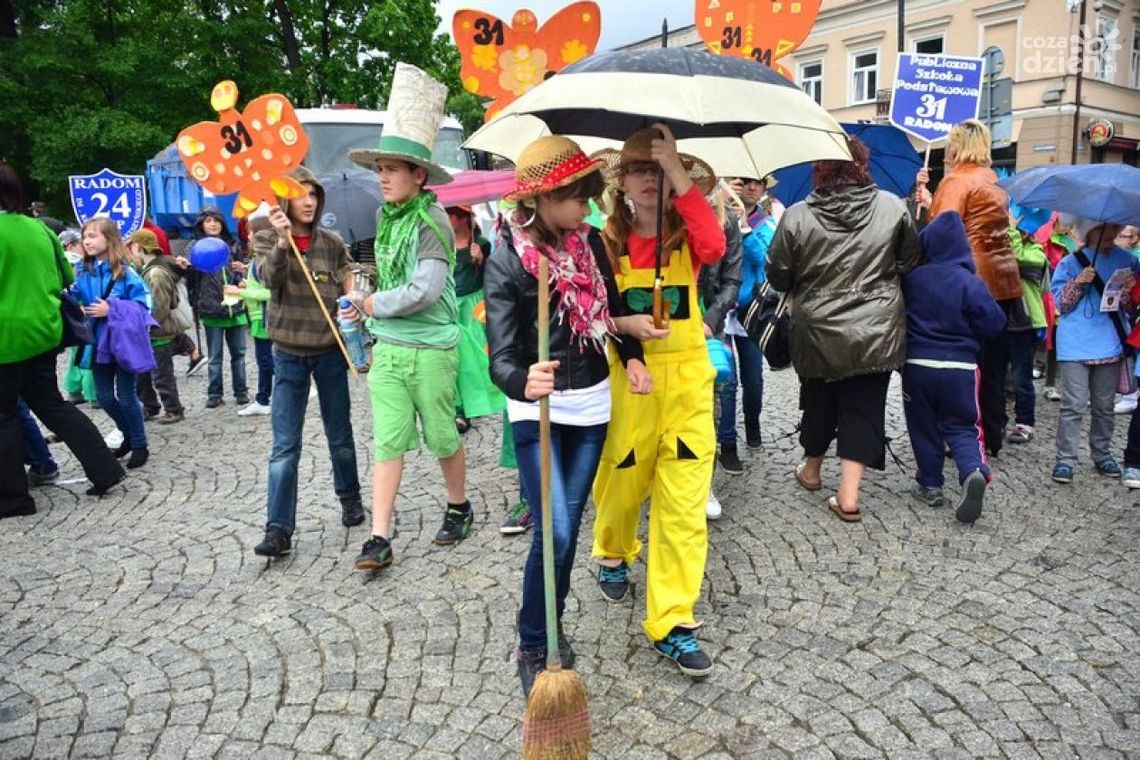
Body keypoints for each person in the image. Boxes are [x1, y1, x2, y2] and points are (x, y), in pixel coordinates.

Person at [484, 135, 649, 696]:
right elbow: (501, 356)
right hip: (538, 413)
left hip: (592, 405)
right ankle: (534, 638)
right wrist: (521, 379)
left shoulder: (591, 246)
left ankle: (545, 623)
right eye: (579, 196)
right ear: (545, 198)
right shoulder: (508, 261)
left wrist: (632, 356)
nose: (588, 206)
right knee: (552, 530)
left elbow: (614, 310)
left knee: (566, 528)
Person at [590, 124, 725, 677]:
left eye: (658, 170)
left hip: (689, 382)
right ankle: (613, 549)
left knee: (684, 506)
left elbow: (716, 248)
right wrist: (626, 333)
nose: (649, 179)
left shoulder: (687, 233)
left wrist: (678, 170)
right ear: (621, 181)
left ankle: (673, 619)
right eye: (640, 169)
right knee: (621, 481)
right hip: (631, 381)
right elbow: (593, 310)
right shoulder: (605, 241)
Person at [346, 63, 471, 572]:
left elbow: (427, 288)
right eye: (379, 168)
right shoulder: (383, 217)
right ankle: (380, 536)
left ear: (418, 175)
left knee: (442, 435)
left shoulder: (432, 217)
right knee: (388, 439)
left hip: (432, 348)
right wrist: (362, 291)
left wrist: (375, 303)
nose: (382, 177)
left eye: (392, 169)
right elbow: (388, 275)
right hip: (389, 348)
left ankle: (460, 505)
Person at [767, 136, 922, 521]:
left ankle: (812, 470)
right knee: (864, 408)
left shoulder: (797, 215)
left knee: (818, 399)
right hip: (876, 331)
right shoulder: (892, 206)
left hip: (817, 331)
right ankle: (849, 496)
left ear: (820, 169)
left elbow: (779, 276)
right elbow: (910, 260)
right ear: (862, 166)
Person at [251, 166, 364, 557]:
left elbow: (349, 271)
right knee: (285, 445)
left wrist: (352, 295)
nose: (310, 201)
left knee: (340, 435)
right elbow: (269, 279)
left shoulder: (330, 242)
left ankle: (350, 496)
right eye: (302, 194)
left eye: (314, 194)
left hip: (330, 351)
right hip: (288, 354)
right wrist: (283, 243)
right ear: (285, 199)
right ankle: (278, 529)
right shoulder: (265, 235)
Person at [925, 120, 1024, 456]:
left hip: (968, 279)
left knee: (965, 365)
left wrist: (926, 207)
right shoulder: (995, 180)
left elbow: (943, 232)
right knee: (994, 367)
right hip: (1004, 280)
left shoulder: (956, 180)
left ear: (957, 146)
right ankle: (992, 436)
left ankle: (963, 438)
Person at [902, 211, 1006, 523]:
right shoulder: (970, 283)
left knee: (923, 425)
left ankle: (930, 484)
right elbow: (994, 323)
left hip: (918, 365)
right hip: (961, 367)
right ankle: (973, 471)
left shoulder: (912, 279)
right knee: (963, 425)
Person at [1049, 219, 1135, 484]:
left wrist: (1130, 293)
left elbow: (1132, 307)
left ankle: (1101, 453)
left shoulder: (1129, 260)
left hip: (1109, 340)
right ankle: (1065, 459)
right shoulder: (1070, 262)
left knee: (1104, 406)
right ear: (1090, 231)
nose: (1110, 234)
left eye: (1114, 228)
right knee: (1073, 405)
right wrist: (1078, 282)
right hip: (1075, 343)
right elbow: (1061, 305)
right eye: (1103, 229)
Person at [75, 217, 154, 469]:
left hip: (122, 343)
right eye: (85, 236)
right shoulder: (82, 272)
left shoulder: (125, 272)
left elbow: (144, 305)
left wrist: (112, 308)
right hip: (97, 343)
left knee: (127, 396)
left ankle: (140, 444)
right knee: (105, 397)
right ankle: (128, 436)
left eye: (93, 236)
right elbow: (73, 295)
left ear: (109, 240)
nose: (87, 241)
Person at [447, 204, 504, 432]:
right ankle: (460, 410)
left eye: (450, 214)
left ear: (462, 218)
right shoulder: (442, 245)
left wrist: (481, 259)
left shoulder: (480, 244)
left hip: (476, 306)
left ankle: (491, 394)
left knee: (482, 355)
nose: (446, 219)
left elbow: (492, 276)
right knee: (458, 358)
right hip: (452, 307)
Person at [192, 207, 249, 409]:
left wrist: (242, 279)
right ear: (201, 224)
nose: (213, 224)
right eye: (208, 220)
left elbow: (242, 272)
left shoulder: (233, 246)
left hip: (235, 309)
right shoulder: (195, 247)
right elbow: (191, 280)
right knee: (215, 357)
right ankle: (214, 394)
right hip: (211, 310)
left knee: (239, 355)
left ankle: (241, 391)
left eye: (216, 220)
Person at [127, 230, 186, 424]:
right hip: (152, 330)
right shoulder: (151, 269)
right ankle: (150, 406)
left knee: (162, 374)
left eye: (132, 247)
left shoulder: (156, 273)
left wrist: (148, 326)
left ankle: (173, 409)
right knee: (144, 373)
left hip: (158, 331)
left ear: (139, 247)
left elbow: (159, 305)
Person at [1005, 209, 1051, 444]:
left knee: (1021, 375)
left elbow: (1016, 256)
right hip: (1005, 320)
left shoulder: (1036, 252)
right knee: (999, 375)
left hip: (1027, 322)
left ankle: (1025, 423)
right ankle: (998, 419)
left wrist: (1011, 229)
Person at [233, 215, 274, 416]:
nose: (247, 236)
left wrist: (241, 292)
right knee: (263, 361)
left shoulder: (263, 260)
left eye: (250, 232)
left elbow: (271, 293)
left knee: (267, 361)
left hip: (265, 318)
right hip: (259, 318)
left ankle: (267, 397)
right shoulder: (258, 260)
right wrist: (247, 284)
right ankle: (263, 398)